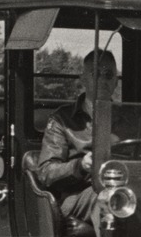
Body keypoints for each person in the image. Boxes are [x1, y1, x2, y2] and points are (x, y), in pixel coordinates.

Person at [37, 49, 119, 225]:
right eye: (96, 74)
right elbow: (46, 172)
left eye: (109, 74)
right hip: (78, 193)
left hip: (122, 187)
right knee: (107, 198)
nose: (103, 80)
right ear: (83, 80)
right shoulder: (62, 119)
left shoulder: (128, 119)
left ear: (116, 81)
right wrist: (81, 165)